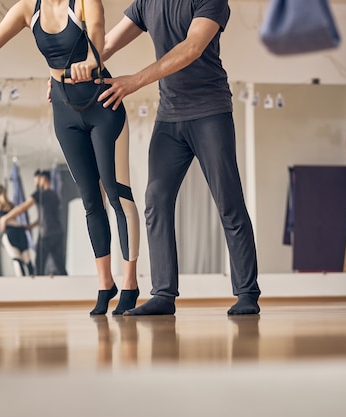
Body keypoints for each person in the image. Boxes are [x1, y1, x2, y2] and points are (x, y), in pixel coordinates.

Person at [0, 0, 141, 315]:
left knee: (117, 195)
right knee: (90, 200)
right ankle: (105, 283)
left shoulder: (86, 2)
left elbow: (99, 35)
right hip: (64, 110)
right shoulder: (26, 9)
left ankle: (130, 282)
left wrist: (90, 59)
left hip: (102, 103)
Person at [95, 0, 261, 315]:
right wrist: (65, 75)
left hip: (210, 112)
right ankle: (163, 295)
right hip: (169, 116)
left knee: (228, 202)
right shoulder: (147, 3)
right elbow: (105, 45)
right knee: (155, 199)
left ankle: (247, 293)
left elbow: (192, 47)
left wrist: (134, 81)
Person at [3, 170, 68, 276]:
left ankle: (39, 287)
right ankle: (68, 287)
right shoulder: (54, 195)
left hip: (47, 233)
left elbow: (23, 207)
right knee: (59, 264)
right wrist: (31, 226)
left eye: (37, 180)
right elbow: (45, 217)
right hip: (58, 232)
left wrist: (5, 218)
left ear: (42, 179)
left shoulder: (40, 194)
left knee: (39, 264)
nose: (35, 183)